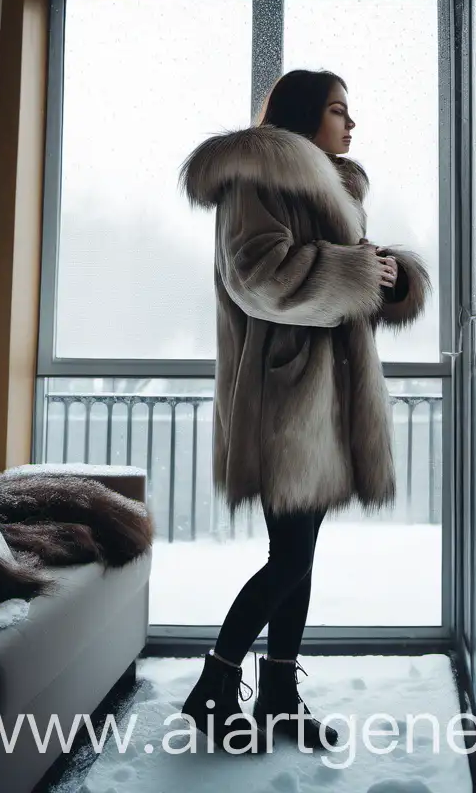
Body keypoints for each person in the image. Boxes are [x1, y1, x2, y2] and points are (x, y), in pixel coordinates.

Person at [177, 68, 431, 753]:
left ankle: (278, 697)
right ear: (302, 116)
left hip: (323, 400)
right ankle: (216, 684)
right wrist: (351, 270)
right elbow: (258, 277)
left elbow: (348, 275)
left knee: (299, 556)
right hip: (285, 400)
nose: (351, 126)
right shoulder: (255, 178)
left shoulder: (335, 186)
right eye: (338, 111)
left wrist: (389, 276)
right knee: (290, 558)